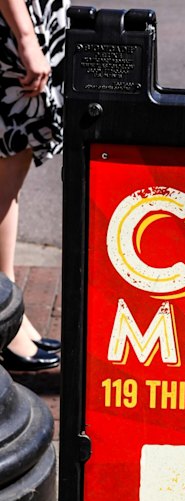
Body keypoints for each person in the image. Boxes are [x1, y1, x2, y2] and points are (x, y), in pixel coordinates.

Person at [0, 0, 68, 371]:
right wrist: (26, 37)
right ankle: (5, 321)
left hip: (26, 26)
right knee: (7, 174)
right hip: (16, 30)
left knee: (9, 180)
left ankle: (11, 316)